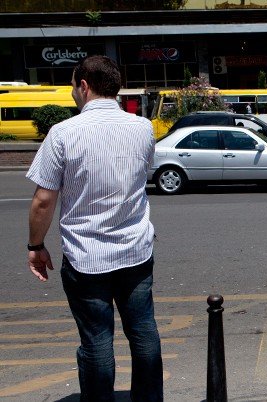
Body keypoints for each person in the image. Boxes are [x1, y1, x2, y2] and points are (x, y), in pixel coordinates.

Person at [26, 55, 163, 401]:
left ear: (84, 86)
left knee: (97, 341)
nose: (73, 92)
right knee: (144, 333)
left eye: (74, 86)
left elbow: (44, 201)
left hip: (86, 257)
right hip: (134, 251)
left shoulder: (63, 133)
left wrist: (36, 246)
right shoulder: (142, 127)